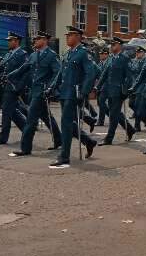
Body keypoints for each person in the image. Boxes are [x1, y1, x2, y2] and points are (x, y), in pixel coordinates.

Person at [48, 26, 97, 166]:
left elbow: (90, 73)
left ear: (77, 36)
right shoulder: (68, 53)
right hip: (65, 92)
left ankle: (64, 156)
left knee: (65, 123)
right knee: (69, 123)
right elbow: (60, 74)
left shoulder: (83, 53)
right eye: (67, 35)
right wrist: (52, 87)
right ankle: (89, 141)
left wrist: (84, 91)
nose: (67, 37)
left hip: (74, 93)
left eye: (70, 35)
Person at [11, 31, 62, 156]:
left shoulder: (51, 55)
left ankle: (25, 148)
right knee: (46, 116)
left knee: (31, 120)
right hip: (34, 91)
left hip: (42, 91)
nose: (35, 41)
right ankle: (59, 140)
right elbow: (24, 67)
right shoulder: (34, 55)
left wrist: (50, 87)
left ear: (45, 40)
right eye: (35, 39)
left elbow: (58, 73)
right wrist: (10, 75)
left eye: (37, 39)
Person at [0, 32, 29, 146]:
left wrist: (19, 87)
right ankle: (27, 130)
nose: (8, 42)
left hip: (14, 87)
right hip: (6, 85)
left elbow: (26, 72)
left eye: (10, 40)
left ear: (16, 41)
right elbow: (0, 67)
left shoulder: (23, 54)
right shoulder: (8, 54)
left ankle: (3, 137)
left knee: (6, 110)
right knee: (12, 112)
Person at [96, 37, 136, 145]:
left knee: (113, 114)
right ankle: (130, 129)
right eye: (111, 44)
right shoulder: (111, 58)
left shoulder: (124, 58)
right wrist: (97, 86)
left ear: (120, 46)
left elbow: (129, 77)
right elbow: (105, 74)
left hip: (118, 91)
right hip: (109, 90)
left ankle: (109, 138)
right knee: (115, 113)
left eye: (114, 44)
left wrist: (126, 90)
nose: (111, 46)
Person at [95, 48, 110, 127]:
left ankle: (101, 121)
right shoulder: (100, 63)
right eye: (100, 54)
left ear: (107, 54)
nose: (101, 55)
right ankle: (111, 115)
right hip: (100, 86)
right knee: (99, 103)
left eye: (103, 54)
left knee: (101, 101)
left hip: (107, 85)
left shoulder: (109, 62)